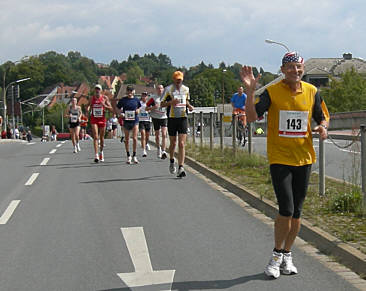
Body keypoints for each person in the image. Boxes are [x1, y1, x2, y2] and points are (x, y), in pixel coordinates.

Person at [241, 51, 329, 279]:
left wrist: (323, 128)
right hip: (280, 158)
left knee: (297, 213)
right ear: (282, 70)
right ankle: (276, 255)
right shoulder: (272, 92)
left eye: (299, 68)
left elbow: (322, 117)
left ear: (303, 70)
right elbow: (251, 118)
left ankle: (287, 254)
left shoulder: (312, 92)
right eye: (290, 68)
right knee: (286, 209)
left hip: (304, 158)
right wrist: (250, 92)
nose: (295, 71)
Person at [161, 71, 194, 178]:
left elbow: (186, 101)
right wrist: (170, 103)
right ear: (173, 79)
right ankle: (171, 161)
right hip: (172, 118)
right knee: (173, 143)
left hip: (183, 118)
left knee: (182, 144)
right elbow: (161, 104)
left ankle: (181, 167)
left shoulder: (186, 89)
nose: (179, 81)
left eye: (180, 79)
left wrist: (189, 106)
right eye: (177, 79)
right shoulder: (168, 89)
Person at [114, 85, 141, 164]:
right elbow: (117, 108)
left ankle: (134, 155)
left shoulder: (136, 100)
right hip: (126, 121)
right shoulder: (123, 100)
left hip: (134, 120)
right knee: (127, 139)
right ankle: (128, 155)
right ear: (127, 91)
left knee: (135, 138)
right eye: (128, 91)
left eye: (131, 91)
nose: (130, 92)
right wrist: (120, 114)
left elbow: (139, 107)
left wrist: (138, 111)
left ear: (133, 92)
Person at [87, 84, 113, 163]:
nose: (97, 90)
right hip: (94, 119)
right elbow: (88, 106)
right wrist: (88, 109)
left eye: (98, 89)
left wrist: (104, 105)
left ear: (101, 90)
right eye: (96, 89)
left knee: (101, 138)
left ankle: (101, 152)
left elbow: (111, 109)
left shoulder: (104, 98)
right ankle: (96, 155)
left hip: (102, 119)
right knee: (95, 137)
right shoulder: (92, 98)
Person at [146, 84, 168, 159]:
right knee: (157, 135)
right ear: (156, 90)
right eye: (158, 89)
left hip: (164, 117)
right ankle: (158, 148)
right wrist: (153, 107)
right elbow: (146, 108)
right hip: (155, 117)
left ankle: (164, 150)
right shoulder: (153, 98)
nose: (160, 90)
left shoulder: (166, 97)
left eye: (161, 89)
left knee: (164, 134)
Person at [138, 92, 151, 157]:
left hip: (148, 120)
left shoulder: (149, 103)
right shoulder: (139, 103)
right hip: (141, 120)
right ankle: (144, 151)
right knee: (143, 134)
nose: (144, 97)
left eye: (145, 96)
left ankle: (146, 143)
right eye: (143, 96)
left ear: (147, 97)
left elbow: (151, 110)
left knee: (147, 136)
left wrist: (149, 110)